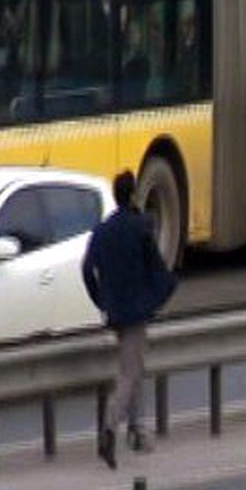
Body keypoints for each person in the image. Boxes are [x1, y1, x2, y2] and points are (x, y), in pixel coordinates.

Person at [83, 171, 177, 469]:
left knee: (135, 368)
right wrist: (161, 292)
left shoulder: (103, 230)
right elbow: (156, 267)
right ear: (134, 193)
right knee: (129, 372)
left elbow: (87, 269)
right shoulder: (140, 226)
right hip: (135, 311)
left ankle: (137, 432)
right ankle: (110, 428)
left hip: (115, 312)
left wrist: (101, 299)